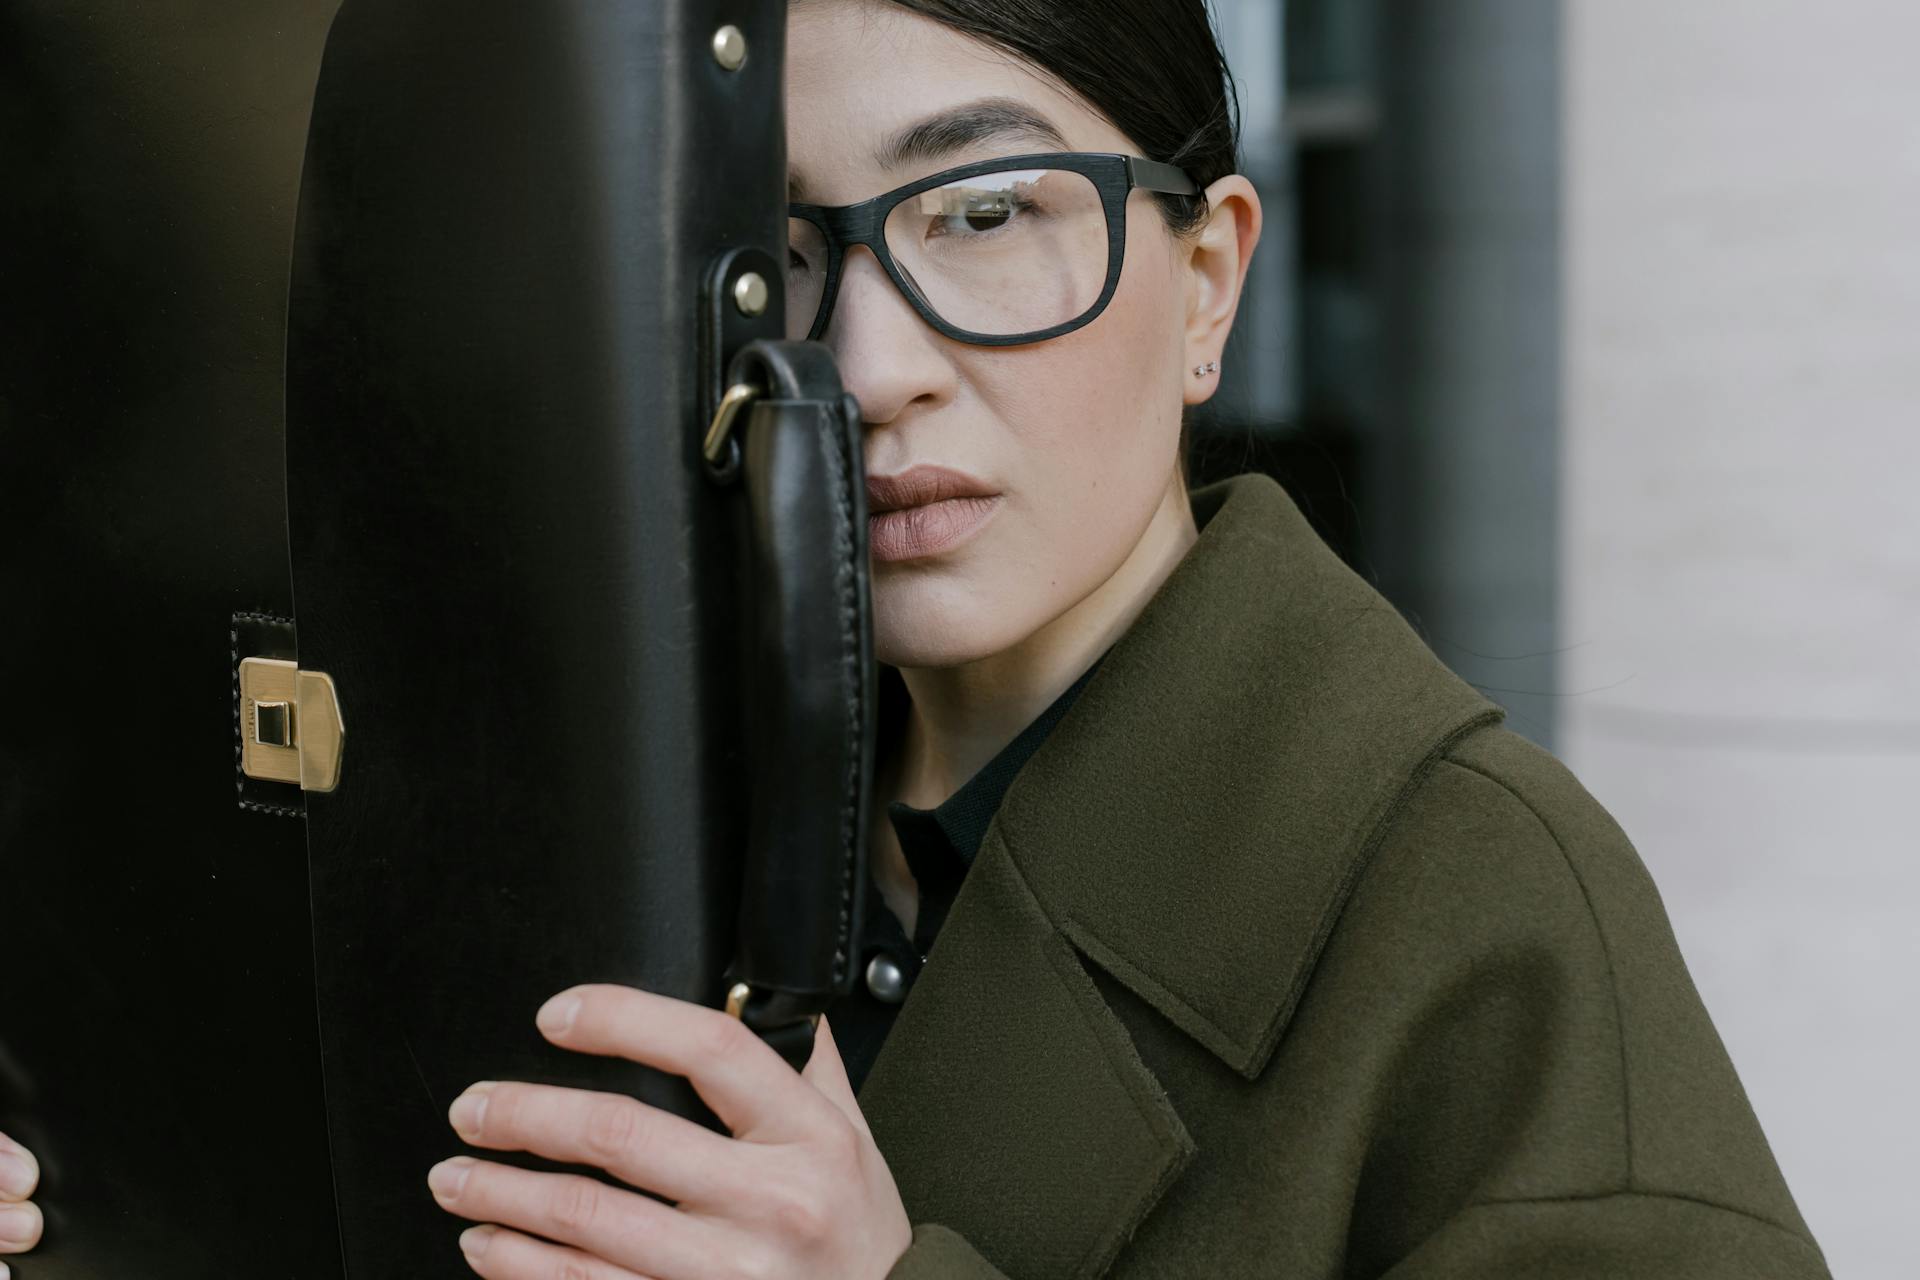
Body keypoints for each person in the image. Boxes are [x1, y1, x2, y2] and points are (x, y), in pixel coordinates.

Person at [0, 1, 1834, 1277]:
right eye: (781, 259)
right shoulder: (645, 789)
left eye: (985, 213)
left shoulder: (1477, 899)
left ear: (1208, 280)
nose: (869, 370)